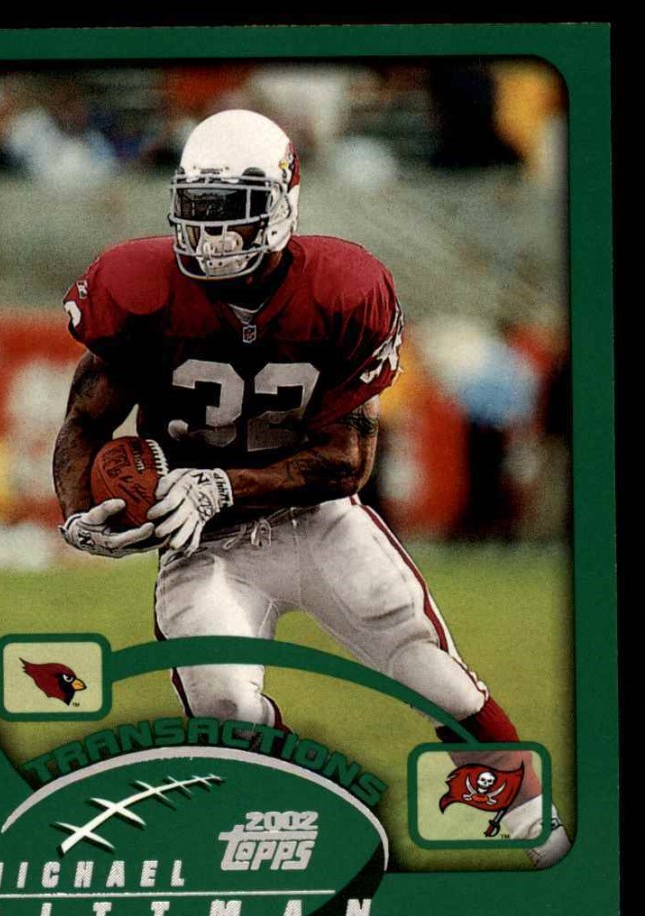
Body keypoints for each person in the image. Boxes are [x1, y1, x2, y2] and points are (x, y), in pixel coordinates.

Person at [54, 109, 570, 869]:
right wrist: (78, 511)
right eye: (199, 211)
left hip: (318, 519)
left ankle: (541, 834)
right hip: (207, 544)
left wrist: (220, 486)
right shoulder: (138, 286)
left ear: (283, 203)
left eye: (233, 213)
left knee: (432, 673)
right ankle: (313, 806)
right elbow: (84, 420)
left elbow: (346, 461)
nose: (213, 236)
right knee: (224, 709)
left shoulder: (343, 288)